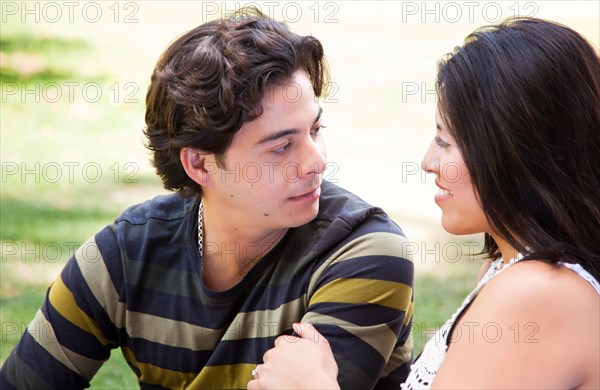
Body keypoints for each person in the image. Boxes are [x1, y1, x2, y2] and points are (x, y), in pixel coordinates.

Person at [0, 8, 415, 390]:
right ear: (200, 165)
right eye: (280, 147)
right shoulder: (123, 257)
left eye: (315, 131)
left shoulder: (365, 253)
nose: (316, 162)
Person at [247, 17, 600, 390]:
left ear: (516, 154)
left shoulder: (536, 295)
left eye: (445, 142)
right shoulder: (511, 269)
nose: (428, 161)